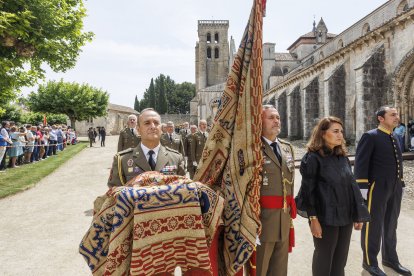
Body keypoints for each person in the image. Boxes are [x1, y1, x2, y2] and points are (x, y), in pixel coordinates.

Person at [298, 116, 370, 276]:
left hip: (345, 215)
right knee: (324, 259)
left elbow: (352, 187)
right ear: (322, 134)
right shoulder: (312, 158)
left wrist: (358, 214)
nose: (340, 135)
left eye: (341, 132)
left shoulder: (342, 157)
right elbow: (308, 191)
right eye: (335, 131)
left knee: (340, 261)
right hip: (325, 217)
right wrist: (313, 219)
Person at [354, 106, 411, 276]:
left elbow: (397, 162)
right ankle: (369, 262)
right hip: (376, 188)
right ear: (380, 118)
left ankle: (390, 259)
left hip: (394, 187)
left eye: (397, 114)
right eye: (392, 114)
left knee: (391, 224)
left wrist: (400, 184)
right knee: (373, 226)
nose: (397, 117)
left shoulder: (394, 136)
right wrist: (362, 191)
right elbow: (360, 165)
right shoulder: (370, 136)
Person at [256, 105, 296, 276]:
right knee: (260, 268)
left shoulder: (287, 148)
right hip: (262, 221)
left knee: (280, 270)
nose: (276, 121)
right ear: (260, 121)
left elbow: (290, 185)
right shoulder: (253, 149)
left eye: (278, 118)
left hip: (283, 219)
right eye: (271, 118)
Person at [107, 108, 185, 187]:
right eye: (147, 123)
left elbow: (184, 191)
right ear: (138, 129)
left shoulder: (176, 158)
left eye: (156, 123)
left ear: (161, 129)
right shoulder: (122, 160)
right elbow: (114, 193)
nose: (152, 126)